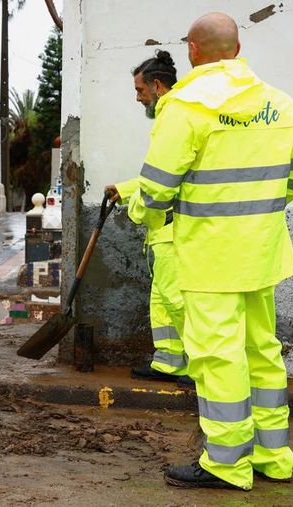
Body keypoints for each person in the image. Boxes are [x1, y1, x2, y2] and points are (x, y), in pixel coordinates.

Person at [135, 12, 293, 490]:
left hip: (210, 257)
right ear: (237, 49)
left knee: (216, 356)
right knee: (262, 350)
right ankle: (272, 457)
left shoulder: (187, 104)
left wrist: (145, 214)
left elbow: (155, 190)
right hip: (264, 253)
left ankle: (226, 462)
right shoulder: (281, 103)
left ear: (193, 51)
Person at [105, 50, 192, 385]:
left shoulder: (174, 116)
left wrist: (138, 209)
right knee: (162, 300)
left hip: (173, 229)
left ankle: (202, 365)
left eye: (140, 91)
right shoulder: (171, 115)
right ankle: (169, 363)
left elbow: (162, 184)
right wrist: (125, 189)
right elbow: (159, 174)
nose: (138, 98)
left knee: (175, 299)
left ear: (157, 86)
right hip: (164, 232)